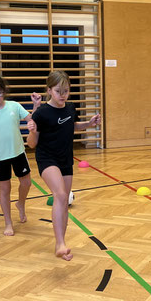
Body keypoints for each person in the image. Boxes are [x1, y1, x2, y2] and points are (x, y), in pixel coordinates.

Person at [27, 71, 101, 261]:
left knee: (64, 201)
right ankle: (60, 244)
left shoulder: (70, 107)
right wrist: (33, 131)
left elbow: (72, 125)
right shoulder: (41, 113)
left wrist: (89, 124)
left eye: (66, 91)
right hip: (47, 158)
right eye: (58, 91)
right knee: (60, 195)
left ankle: (61, 244)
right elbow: (32, 144)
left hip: (65, 159)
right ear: (49, 90)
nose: (62, 95)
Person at [0, 75, 39, 236]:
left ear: (4, 92)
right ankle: (8, 223)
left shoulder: (14, 106)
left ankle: (20, 203)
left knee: (26, 183)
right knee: (5, 189)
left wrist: (35, 106)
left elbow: (32, 120)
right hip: (0, 158)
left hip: (19, 153)